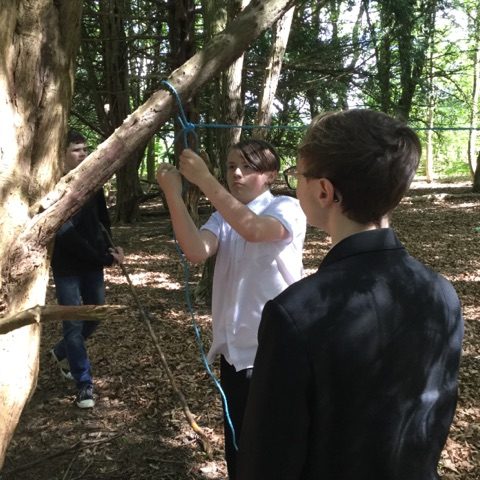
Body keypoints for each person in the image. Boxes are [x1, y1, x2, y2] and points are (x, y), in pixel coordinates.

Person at [237, 110, 464, 480]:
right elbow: (432, 422)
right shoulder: (442, 294)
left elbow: (267, 461)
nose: (295, 184)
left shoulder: (295, 313)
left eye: (298, 175)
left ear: (324, 192)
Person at [156, 139, 306, 479]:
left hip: (276, 352)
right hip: (235, 355)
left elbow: (253, 229)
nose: (236, 173)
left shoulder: (286, 207)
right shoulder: (222, 217)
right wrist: (173, 194)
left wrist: (204, 179)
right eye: (231, 166)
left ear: (270, 175)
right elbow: (196, 251)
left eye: (248, 167)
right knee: (239, 448)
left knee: (275, 450)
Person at [50, 129, 124, 409]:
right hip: (67, 267)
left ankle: (61, 351)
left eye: (85, 149)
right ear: (61, 154)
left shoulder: (93, 182)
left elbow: (102, 220)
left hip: (93, 263)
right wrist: (99, 258)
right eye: (76, 150)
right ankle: (84, 384)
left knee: (96, 314)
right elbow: (64, 234)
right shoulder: (54, 188)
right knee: (73, 323)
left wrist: (111, 248)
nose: (83, 154)